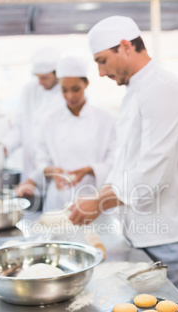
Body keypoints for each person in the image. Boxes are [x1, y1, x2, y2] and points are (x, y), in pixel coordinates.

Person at [69, 16, 178, 309]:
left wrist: (99, 203)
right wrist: (97, 198)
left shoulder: (162, 89)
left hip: (172, 238)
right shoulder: (136, 91)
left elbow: (153, 173)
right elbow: (126, 164)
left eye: (103, 61)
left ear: (124, 46)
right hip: (146, 236)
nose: (101, 72)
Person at [22, 54, 116, 212]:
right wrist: (50, 171)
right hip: (59, 200)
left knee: (95, 237)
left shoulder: (106, 119)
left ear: (86, 84)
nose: (70, 96)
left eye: (75, 89)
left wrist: (90, 169)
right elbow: (40, 159)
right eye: (64, 90)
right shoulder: (48, 121)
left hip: (94, 199)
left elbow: (115, 159)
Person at [2, 46, 64, 182]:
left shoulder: (67, 93)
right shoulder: (30, 89)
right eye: (37, 77)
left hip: (56, 173)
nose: (40, 83)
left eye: (45, 78)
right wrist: (6, 146)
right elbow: (19, 126)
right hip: (30, 172)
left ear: (57, 74)